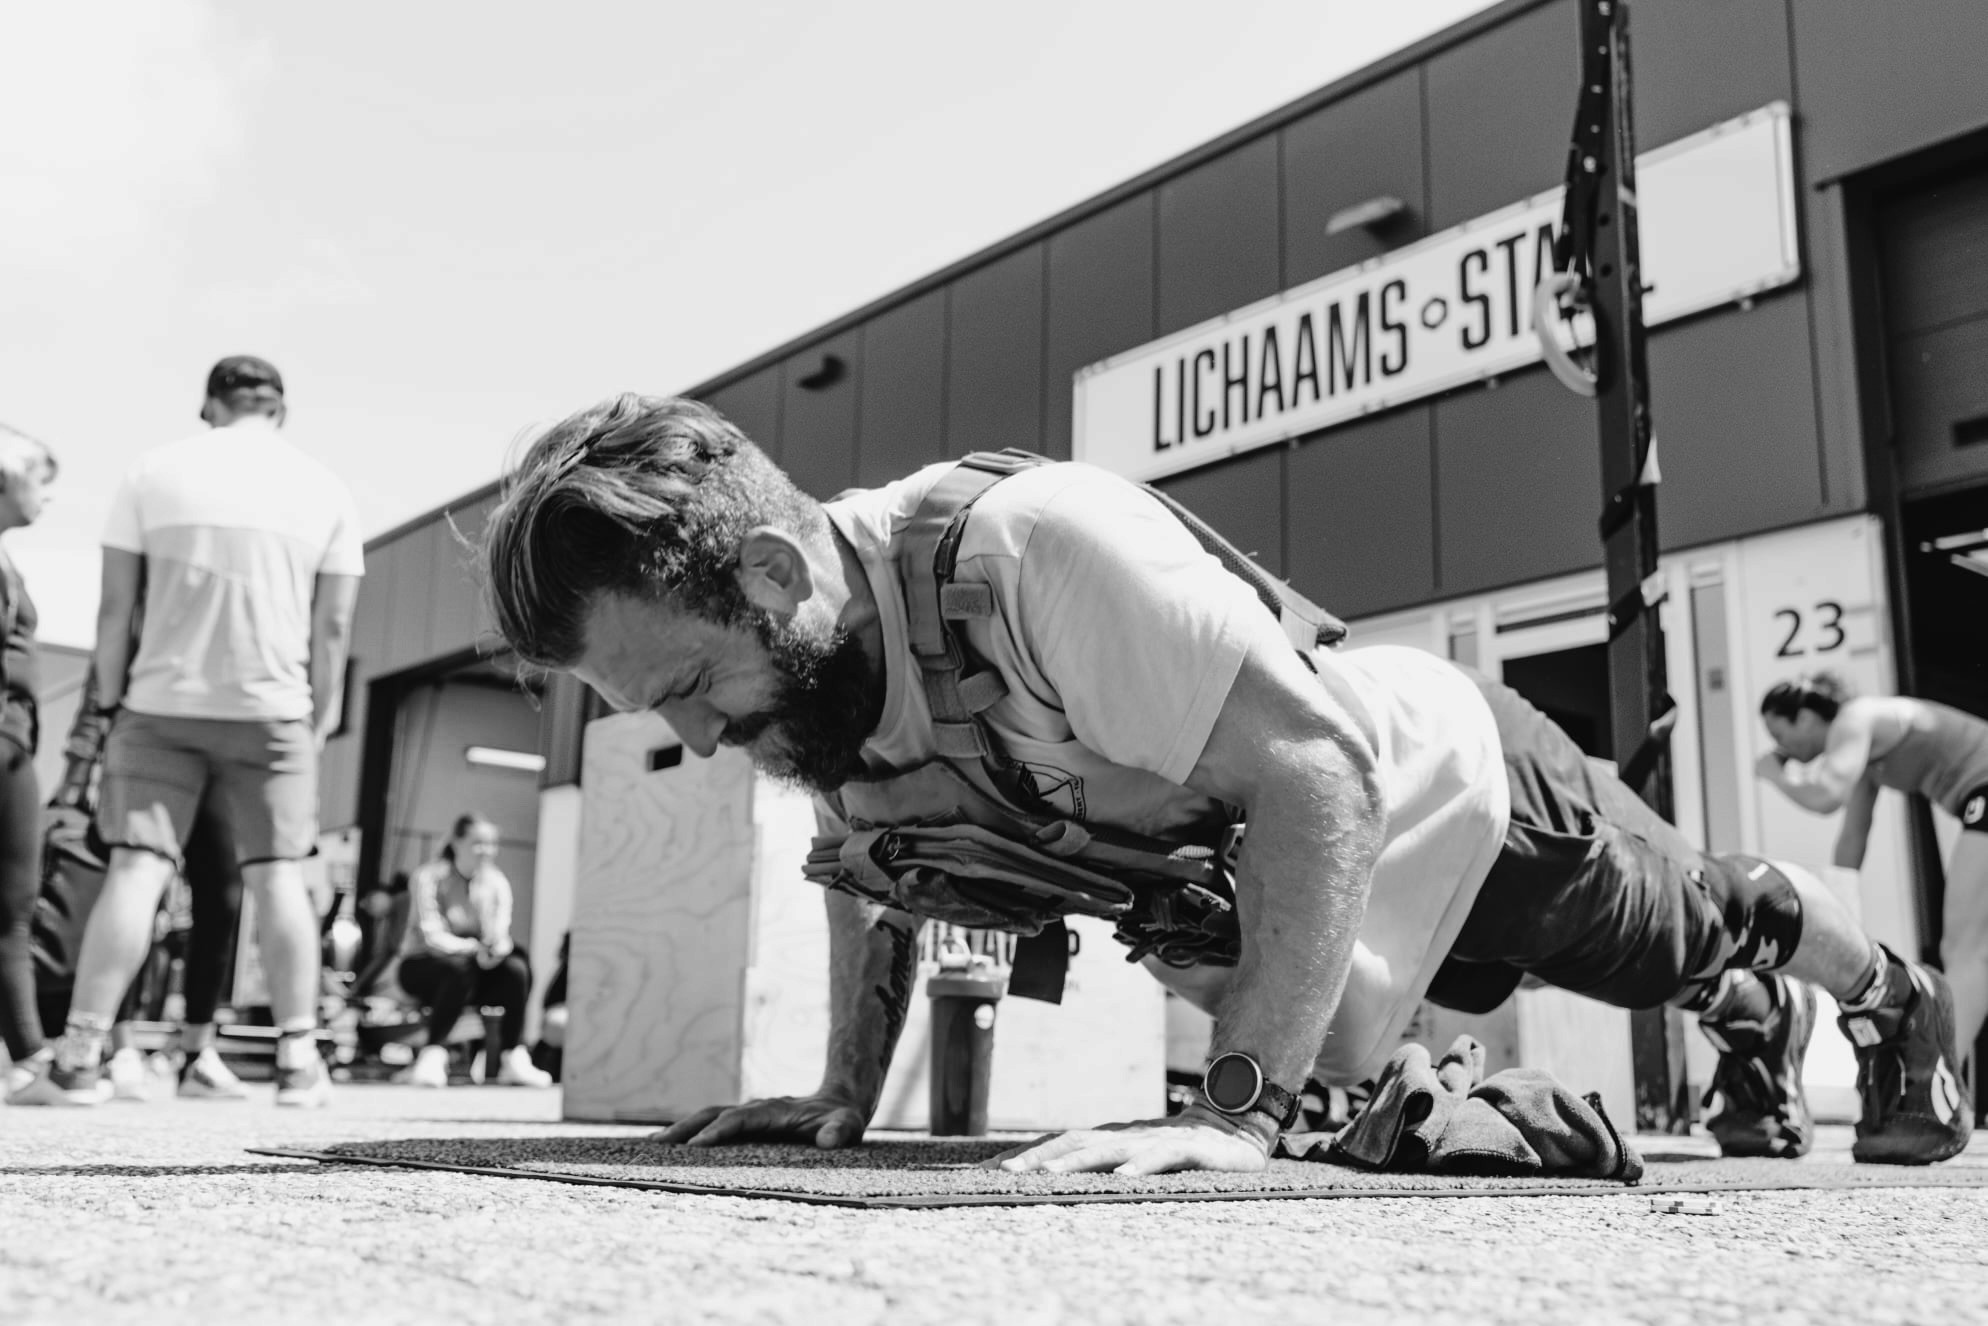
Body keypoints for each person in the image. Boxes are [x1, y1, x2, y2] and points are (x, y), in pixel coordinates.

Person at [479, 393, 1972, 1171]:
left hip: (1447, 784)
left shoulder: (1027, 553)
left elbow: (1319, 775)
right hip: (1304, 917)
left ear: (768, 569)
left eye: (685, 688)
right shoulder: (808, 677)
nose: (708, 737)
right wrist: (834, 1098)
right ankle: (1748, 1023)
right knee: (1431, 1054)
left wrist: (1239, 1110)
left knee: (1683, 930)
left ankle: (1885, 993)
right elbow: (872, 861)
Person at [11, 356, 362, 1109]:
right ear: (280, 409)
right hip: (274, 708)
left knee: (138, 871)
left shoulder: (151, 473)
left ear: (210, 404)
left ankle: (77, 1061)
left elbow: (116, 611)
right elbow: (333, 625)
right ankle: (300, 1064)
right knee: (277, 877)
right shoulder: (326, 488)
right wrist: (320, 716)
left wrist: (109, 701)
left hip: (161, 705)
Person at [1756, 670, 1988, 1062]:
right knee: (1972, 950)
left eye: (1780, 736)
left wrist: (1774, 774)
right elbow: (1852, 840)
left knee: (1964, 950)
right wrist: (1834, 916)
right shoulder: (1862, 753)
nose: (1783, 750)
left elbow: (1826, 795)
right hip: (1976, 799)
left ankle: (1941, 1083)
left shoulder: (1854, 719)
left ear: (1806, 718)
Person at [395, 813, 552, 1088]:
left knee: (517, 967)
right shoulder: (428, 877)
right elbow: (432, 935)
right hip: (423, 965)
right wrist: (474, 949)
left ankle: (513, 1055)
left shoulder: (496, 881)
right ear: (456, 842)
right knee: (458, 969)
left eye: (492, 844)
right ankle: (433, 1054)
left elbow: (500, 930)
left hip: (476, 966)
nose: (487, 851)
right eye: (478, 843)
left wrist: (496, 949)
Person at [0, 425, 56, 1097]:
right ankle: (30, 1055)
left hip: (13, 740)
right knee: (11, 906)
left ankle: (28, 1054)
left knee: (13, 905)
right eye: (39, 477)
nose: (46, 494)